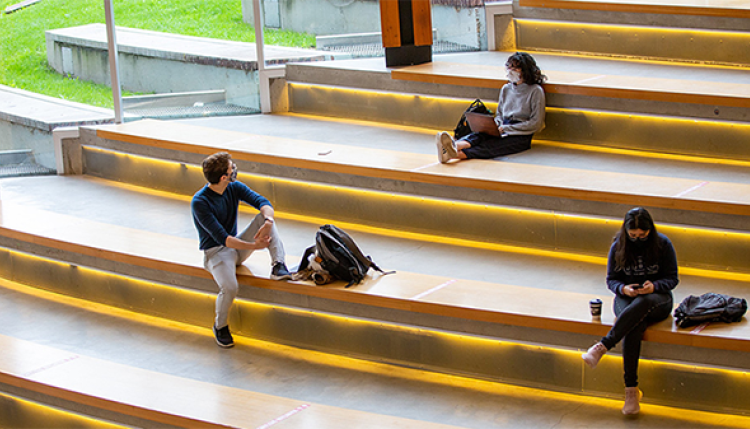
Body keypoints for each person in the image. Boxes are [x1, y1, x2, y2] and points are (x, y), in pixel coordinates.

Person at [581, 207, 679, 415]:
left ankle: (603, 345)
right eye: (633, 236)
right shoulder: (618, 247)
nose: (637, 239)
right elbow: (611, 280)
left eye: (642, 236)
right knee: (634, 325)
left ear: (649, 231)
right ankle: (631, 391)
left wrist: (654, 286)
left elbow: (672, 279)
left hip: (657, 298)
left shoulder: (663, 244)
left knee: (643, 305)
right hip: (627, 297)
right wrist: (623, 289)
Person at [191, 152, 292, 348]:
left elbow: (263, 202)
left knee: (265, 219)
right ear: (223, 177)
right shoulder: (200, 202)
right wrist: (255, 246)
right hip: (216, 253)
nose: (234, 170)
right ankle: (220, 326)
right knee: (230, 287)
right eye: (231, 169)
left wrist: (268, 222)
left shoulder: (233, 187)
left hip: (235, 247)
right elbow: (224, 239)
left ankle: (278, 264)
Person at [436, 52, 547, 163]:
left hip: (521, 134)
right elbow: (500, 115)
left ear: (525, 70)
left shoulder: (536, 91)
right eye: (509, 67)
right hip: (502, 127)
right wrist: (494, 125)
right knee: (479, 135)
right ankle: (452, 146)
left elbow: (536, 123)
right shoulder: (506, 88)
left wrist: (507, 129)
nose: (510, 71)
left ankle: (452, 154)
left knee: (490, 146)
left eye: (515, 68)